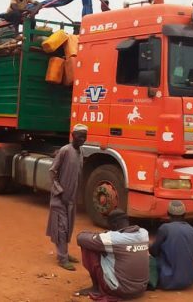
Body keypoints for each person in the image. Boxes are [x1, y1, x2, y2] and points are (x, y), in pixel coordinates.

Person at [76, 210, 149, 300]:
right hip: (141, 288)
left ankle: (96, 287)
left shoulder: (111, 238)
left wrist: (100, 235)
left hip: (120, 290)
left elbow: (80, 238)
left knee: (90, 247)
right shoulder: (144, 233)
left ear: (114, 225)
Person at [47, 124, 88, 271]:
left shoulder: (81, 152)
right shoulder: (65, 150)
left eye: (85, 137)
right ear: (73, 135)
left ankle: (64, 252)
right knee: (61, 227)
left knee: (68, 227)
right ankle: (62, 258)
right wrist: (59, 191)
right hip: (60, 197)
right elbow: (52, 171)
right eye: (80, 136)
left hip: (71, 199)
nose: (82, 139)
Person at [149, 201, 193, 290]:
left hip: (169, 281)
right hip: (190, 280)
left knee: (149, 259)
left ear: (168, 213)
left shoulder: (165, 228)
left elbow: (154, 251)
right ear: (184, 214)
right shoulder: (191, 229)